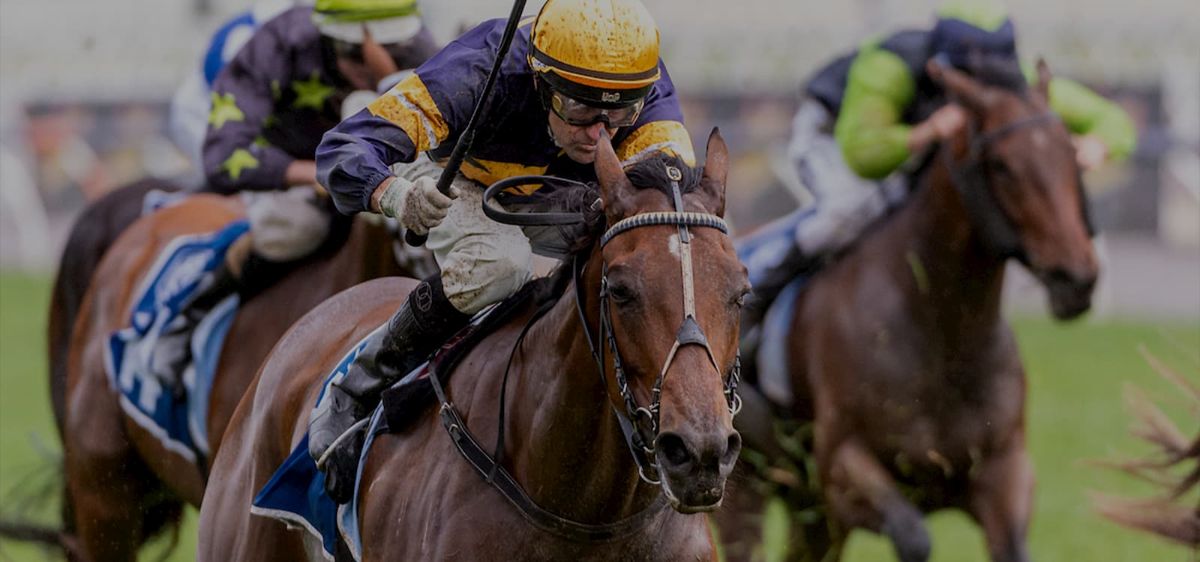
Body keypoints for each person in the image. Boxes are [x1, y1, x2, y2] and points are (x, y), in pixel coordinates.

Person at [310, 0, 696, 501]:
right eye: (579, 110)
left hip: (566, 194)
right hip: (456, 178)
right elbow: (343, 146)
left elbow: (672, 195)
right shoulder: (479, 68)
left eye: (620, 113)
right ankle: (362, 380)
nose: (600, 133)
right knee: (499, 265)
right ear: (540, 81)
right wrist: (395, 196)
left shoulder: (639, 79)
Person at [743, 0, 1137, 323]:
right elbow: (862, 155)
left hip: (900, 149)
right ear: (943, 65)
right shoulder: (890, 65)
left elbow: (1113, 120)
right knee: (849, 211)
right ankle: (755, 283)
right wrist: (926, 132)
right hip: (832, 136)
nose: (982, 90)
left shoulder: (1007, 81)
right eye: (972, 79)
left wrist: (1099, 144)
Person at [152, 0, 439, 383]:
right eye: (360, 54)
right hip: (277, 156)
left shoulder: (418, 46)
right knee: (297, 225)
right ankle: (190, 313)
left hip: (364, 160)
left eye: (396, 50)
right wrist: (320, 175)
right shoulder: (279, 46)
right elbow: (222, 157)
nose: (378, 65)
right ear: (334, 41)